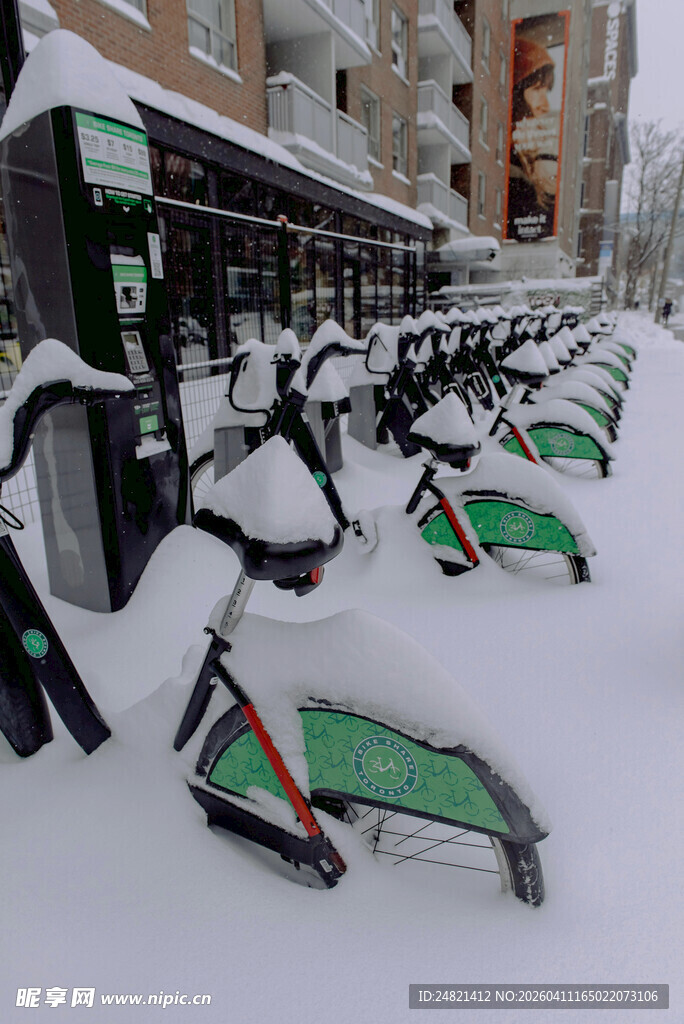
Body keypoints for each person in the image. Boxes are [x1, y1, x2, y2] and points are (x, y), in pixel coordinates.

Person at [507, 37, 559, 241]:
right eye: (537, 89)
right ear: (517, 93)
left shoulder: (530, 153)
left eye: (546, 91)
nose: (544, 105)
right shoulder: (510, 165)